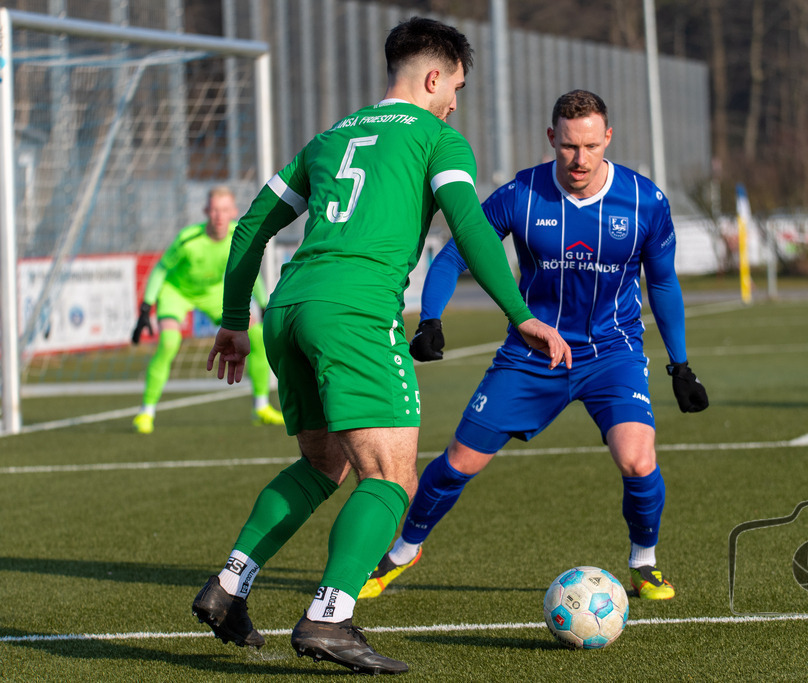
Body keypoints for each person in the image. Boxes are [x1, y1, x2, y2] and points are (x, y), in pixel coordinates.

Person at [192, 17, 570, 676]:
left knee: (322, 466)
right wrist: (521, 313)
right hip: (356, 313)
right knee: (392, 478)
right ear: (433, 78)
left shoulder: (330, 137)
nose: (455, 101)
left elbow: (252, 224)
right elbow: (472, 225)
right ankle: (329, 616)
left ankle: (229, 583)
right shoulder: (436, 137)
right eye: (455, 86)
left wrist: (232, 320)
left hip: (289, 308)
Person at [359, 90, 709, 604]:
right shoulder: (521, 194)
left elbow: (662, 284)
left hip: (613, 353)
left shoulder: (645, 201)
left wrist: (680, 365)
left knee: (637, 460)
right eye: (568, 146)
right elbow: (455, 255)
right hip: (531, 354)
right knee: (458, 462)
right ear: (552, 139)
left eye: (591, 145)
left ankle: (644, 562)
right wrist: (430, 319)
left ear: (608, 138)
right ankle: (404, 550)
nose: (580, 159)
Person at [130, 186, 283, 434]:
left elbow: (248, 271)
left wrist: (264, 303)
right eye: (214, 210)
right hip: (177, 292)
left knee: (256, 335)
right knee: (169, 342)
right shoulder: (188, 239)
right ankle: (146, 412)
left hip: (214, 293)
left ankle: (261, 406)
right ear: (205, 212)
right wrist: (146, 307)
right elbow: (160, 269)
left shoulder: (239, 234)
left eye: (224, 210)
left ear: (233, 212)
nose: (219, 216)